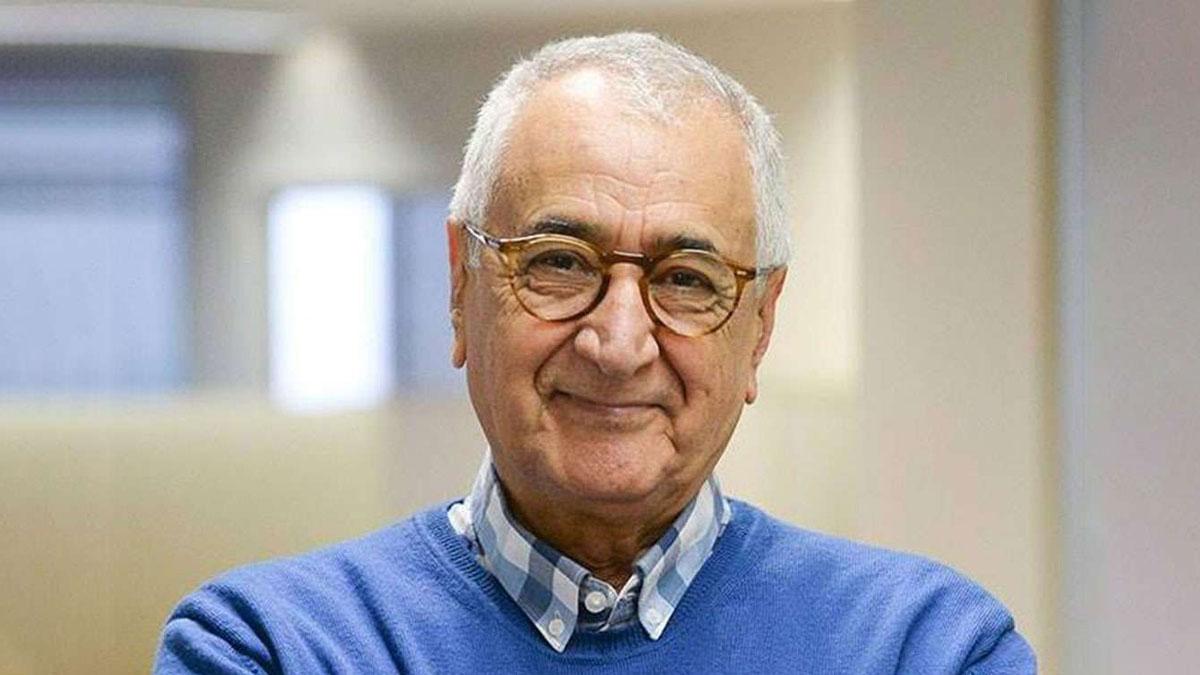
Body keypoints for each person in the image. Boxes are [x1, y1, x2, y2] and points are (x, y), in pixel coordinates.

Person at [155, 32, 1036, 674]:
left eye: (686, 280)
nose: (617, 343)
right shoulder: (275, 645)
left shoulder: (923, 646)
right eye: (559, 263)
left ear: (761, 325)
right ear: (461, 285)